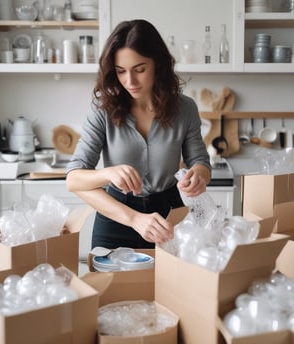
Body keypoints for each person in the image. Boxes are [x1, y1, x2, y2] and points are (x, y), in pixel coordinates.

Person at [66, 19, 211, 250]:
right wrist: (108, 174)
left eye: (139, 69)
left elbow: (200, 162)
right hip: (116, 220)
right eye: (121, 71)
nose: (129, 81)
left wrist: (199, 176)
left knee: (171, 286)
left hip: (170, 218)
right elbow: (73, 179)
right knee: (112, 287)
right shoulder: (103, 110)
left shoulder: (185, 108)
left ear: (158, 65)